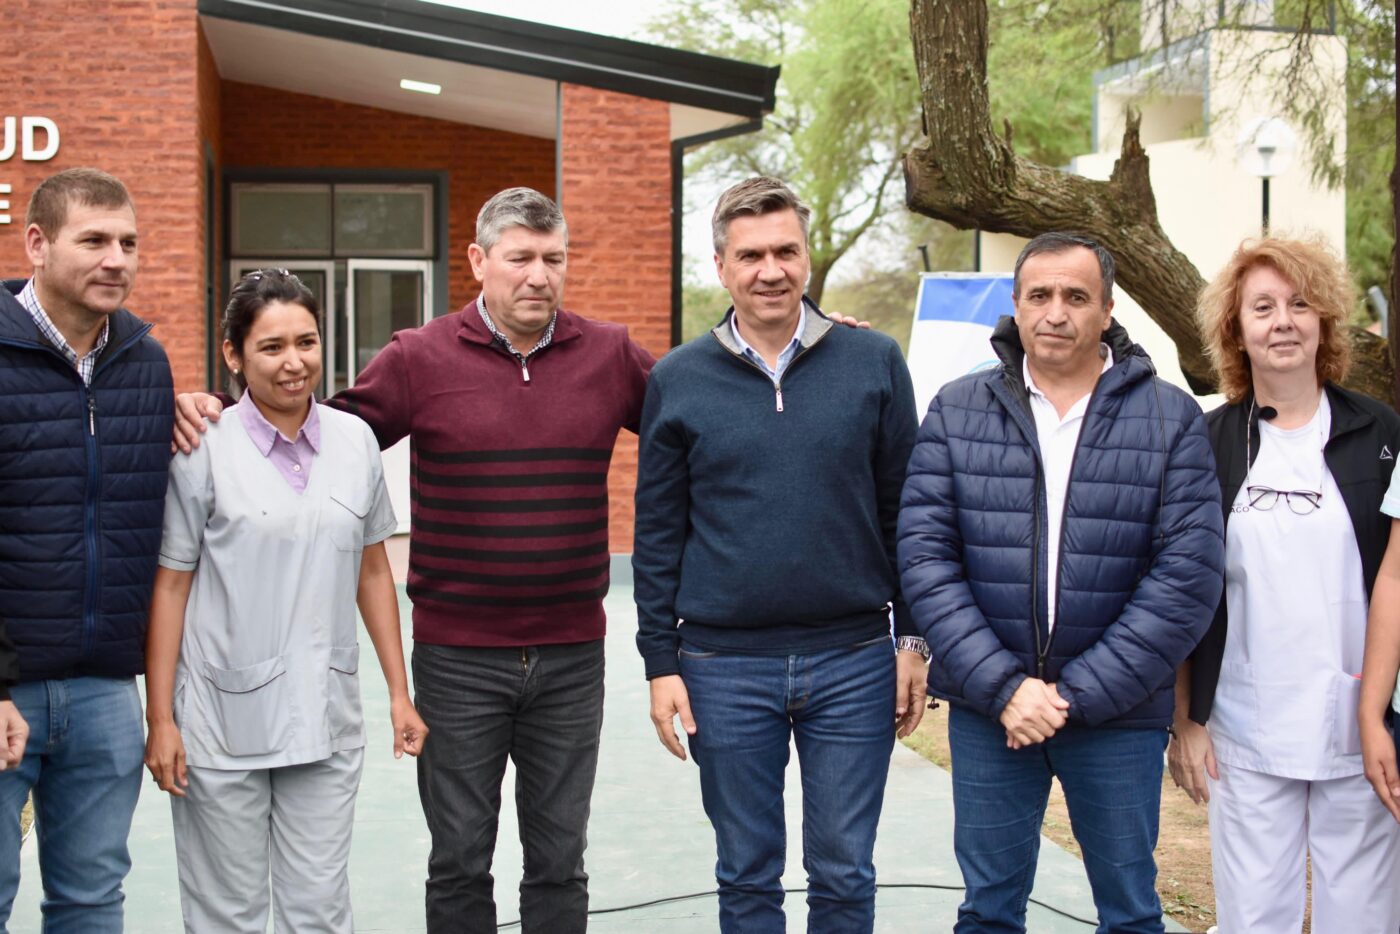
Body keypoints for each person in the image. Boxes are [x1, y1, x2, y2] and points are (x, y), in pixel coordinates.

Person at [172, 188, 654, 934]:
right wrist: (209, 407)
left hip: (571, 655)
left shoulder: (610, 354)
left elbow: (700, 416)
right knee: (459, 860)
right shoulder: (419, 357)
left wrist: (807, 349)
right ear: (478, 261)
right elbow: (315, 423)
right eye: (520, 258)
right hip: (458, 661)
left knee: (561, 860)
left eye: (553, 258)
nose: (539, 275)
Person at [898, 232, 1224, 933]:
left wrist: (1076, 695)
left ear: (1107, 310)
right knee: (988, 910)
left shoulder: (1170, 418)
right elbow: (926, 559)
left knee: (1130, 912)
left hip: (1117, 717)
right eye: (1039, 295)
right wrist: (1006, 689)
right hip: (991, 713)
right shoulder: (956, 410)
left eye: (1076, 296)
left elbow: (1187, 577)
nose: (1055, 312)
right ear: (1015, 305)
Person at [634, 176, 926, 934]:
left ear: (808, 257)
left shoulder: (873, 361)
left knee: (845, 872)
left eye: (786, 251)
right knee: (746, 873)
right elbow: (658, 534)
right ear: (721, 266)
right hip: (722, 667)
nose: (771, 270)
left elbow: (908, 515)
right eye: (751, 255)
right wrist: (661, 663)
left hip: (853, 660)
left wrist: (913, 640)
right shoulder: (677, 379)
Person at [144, 269, 428, 931]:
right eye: (271, 347)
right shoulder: (201, 447)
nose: (294, 362)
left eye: (306, 342)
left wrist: (399, 693)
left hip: (324, 715)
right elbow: (171, 584)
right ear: (233, 354)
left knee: (320, 911)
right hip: (220, 720)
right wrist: (161, 720)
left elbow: (372, 571)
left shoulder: (355, 442)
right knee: (227, 915)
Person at [1169, 237, 1400, 932]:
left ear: (1324, 320)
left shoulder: (1379, 432)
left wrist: (1379, 716)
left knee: (1362, 920)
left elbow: (1394, 581)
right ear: (1235, 330)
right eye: (1262, 307)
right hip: (1243, 731)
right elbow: (1180, 587)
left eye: (1300, 304)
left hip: (1357, 731)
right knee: (1252, 921)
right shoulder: (1206, 441)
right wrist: (1185, 720)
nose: (1282, 322)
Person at [0, 167, 171, 931]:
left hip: (105, 691)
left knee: (93, 900)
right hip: (5, 688)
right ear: (37, 243)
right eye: (95, 240)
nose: (116, 260)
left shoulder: (146, 365)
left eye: (129, 243)